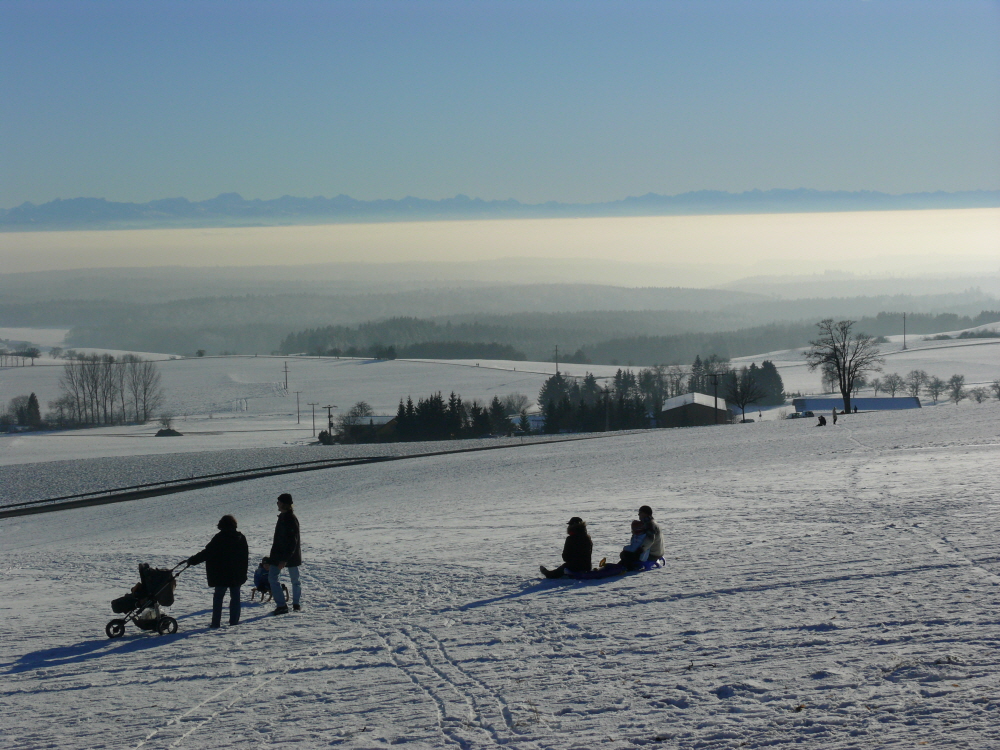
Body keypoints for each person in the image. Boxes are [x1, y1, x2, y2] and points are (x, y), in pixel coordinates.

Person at [186, 514, 249, 629]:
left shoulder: (219, 538)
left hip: (221, 575)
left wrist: (192, 560)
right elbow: (245, 557)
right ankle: (234, 622)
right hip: (236, 574)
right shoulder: (241, 538)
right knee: (235, 598)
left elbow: (207, 553)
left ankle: (216, 623)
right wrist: (243, 573)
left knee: (218, 598)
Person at [267, 493, 301, 614]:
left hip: (288, 556)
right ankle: (282, 605)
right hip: (278, 555)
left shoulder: (290, 519)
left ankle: (295, 604)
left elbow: (293, 541)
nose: (277, 504)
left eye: (279, 502)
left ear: (284, 504)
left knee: (294, 580)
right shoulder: (282, 517)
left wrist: (284, 559)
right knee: (272, 578)